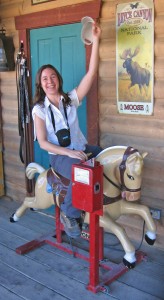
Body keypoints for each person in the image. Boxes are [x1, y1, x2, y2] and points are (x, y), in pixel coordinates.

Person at [32, 22, 102, 238]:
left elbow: (91, 73)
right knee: (78, 171)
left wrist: (96, 40)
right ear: (40, 84)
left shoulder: (70, 100)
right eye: (45, 79)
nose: (49, 81)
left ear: (58, 79)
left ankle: (100, 205)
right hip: (60, 157)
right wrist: (69, 153)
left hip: (80, 148)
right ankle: (69, 213)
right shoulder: (39, 109)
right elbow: (43, 143)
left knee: (104, 156)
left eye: (52, 77)